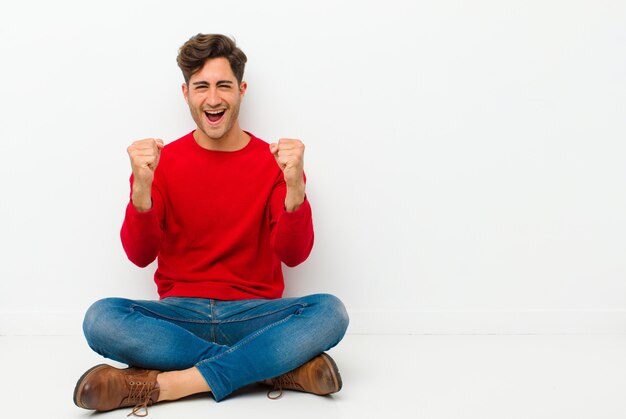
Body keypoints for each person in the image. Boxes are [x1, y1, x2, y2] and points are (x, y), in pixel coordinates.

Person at [73, 33, 349, 416]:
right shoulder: (161, 163)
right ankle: (270, 370)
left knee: (331, 312)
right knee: (100, 318)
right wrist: (142, 190)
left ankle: (169, 385)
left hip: (253, 314)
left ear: (241, 90)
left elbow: (294, 255)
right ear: (186, 93)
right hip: (180, 317)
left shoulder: (275, 163)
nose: (214, 98)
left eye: (224, 85)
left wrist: (295, 187)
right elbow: (139, 257)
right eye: (202, 87)